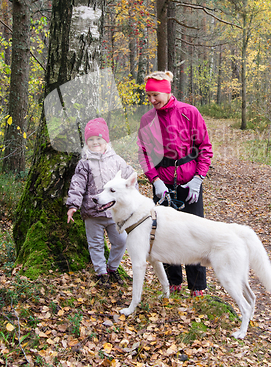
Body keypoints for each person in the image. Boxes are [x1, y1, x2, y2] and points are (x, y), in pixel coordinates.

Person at [137, 71, 213, 297]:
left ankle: (198, 286)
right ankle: (173, 281)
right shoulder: (147, 120)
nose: (152, 100)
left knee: (195, 233)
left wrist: (198, 179)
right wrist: (156, 181)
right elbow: (145, 154)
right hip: (163, 185)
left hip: (190, 183)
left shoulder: (190, 113)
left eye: (155, 95)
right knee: (165, 234)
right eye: (148, 96)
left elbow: (205, 147)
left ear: (167, 91)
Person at [66, 117, 134, 286]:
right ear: (86, 143)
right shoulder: (84, 163)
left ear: (106, 141)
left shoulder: (117, 160)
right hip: (92, 213)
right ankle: (101, 273)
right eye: (91, 140)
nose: (95, 143)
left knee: (121, 240)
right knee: (95, 245)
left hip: (113, 213)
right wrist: (73, 205)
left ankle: (112, 268)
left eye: (99, 139)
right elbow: (77, 184)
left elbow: (129, 180)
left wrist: (133, 201)